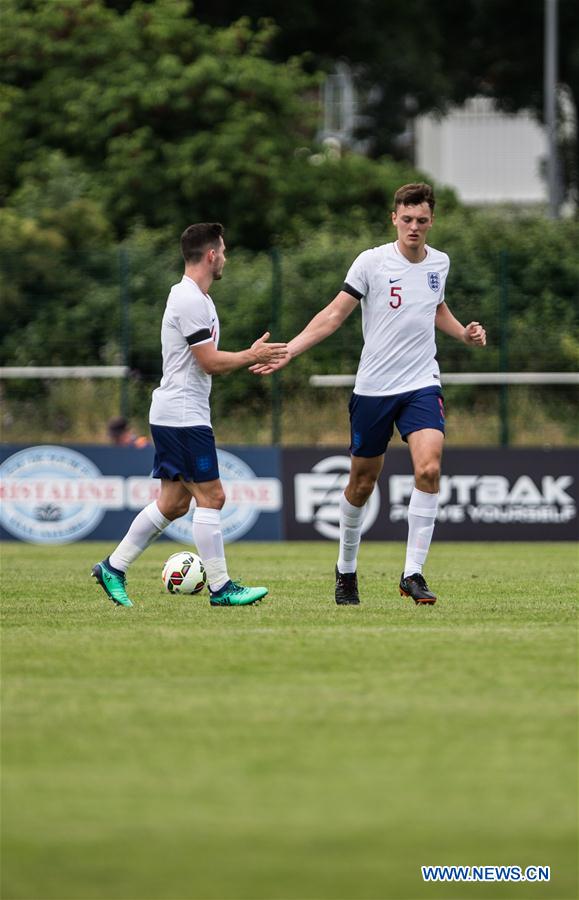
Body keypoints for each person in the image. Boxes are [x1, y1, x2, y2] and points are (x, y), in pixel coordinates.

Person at [251, 183, 486, 606]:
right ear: (394, 218)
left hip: (421, 384)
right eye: (407, 219)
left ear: (432, 221)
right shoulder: (371, 262)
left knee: (429, 469)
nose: (414, 227)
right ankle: (345, 570)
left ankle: (412, 573)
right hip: (374, 389)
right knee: (361, 484)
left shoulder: (440, 263)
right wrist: (291, 349)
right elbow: (334, 315)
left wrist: (464, 334)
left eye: (422, 220)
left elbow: (437, 309)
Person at [93, 222, 288, 608]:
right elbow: (209, 361)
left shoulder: (199, 299)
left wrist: (248, 353)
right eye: (224, 251)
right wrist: (254, 355)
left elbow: (203, 361)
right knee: (212, 496)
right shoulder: (189, 299)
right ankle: (220, 587)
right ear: (211, 255)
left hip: (180, 413)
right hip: (183, 415)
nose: (226, 258)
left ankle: (112, 567)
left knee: (174, 504)